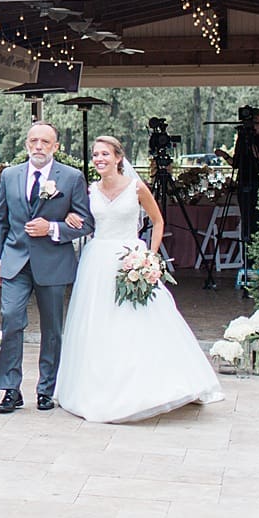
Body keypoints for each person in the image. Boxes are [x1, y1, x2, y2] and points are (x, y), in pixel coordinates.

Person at [54, 136, 223, 422]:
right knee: (98, 322)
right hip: (97, 262)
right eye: (96, 154)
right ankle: (99, 386)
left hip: (130, 256)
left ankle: (154, 385)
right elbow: (82, 217)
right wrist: (71, 216)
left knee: (138, 320)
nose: (99, 159)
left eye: (105, 154)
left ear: (119, 157)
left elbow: (158, 221)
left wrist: (150, 256)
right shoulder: (90, 190)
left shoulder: (136, 187)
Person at [0, 121, 92, 413]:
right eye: (33, 141)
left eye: (45, 142)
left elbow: (86, 222)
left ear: (56, 147)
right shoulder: (10, 176)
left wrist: (53, 228)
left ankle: (47, 389)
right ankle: (11, 389)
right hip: (15, 262)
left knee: (53, 329)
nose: (38, 147)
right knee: (10, 320)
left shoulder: (71, 178)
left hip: (53, 262)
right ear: (26, 145)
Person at [217, 107, 259, 254]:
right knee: (246, 220)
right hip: (244, 182)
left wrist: (255, 152)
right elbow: (236, 163)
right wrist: (225, 156)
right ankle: (247, 252)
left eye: (255, 122)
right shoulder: (243, 139)